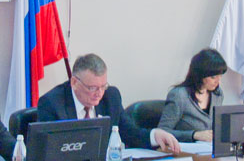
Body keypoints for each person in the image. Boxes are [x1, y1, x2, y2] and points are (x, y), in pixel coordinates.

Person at [37, 53, 180, 152]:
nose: (99, 93)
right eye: (92, 88)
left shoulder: (111, 97)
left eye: (103, 86)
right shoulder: (52, 103)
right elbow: (47, 150)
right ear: (74, 82)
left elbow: (130, 133)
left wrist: (155, 135)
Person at [157, 48, 225, 142]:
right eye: (213, 77)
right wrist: (194, 135)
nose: (218, 82)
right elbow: (162, 132)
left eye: (220, 76)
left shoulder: (217, 94)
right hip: (184, 148)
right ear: (200, 74)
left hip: (208, 147)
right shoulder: (179, 95)